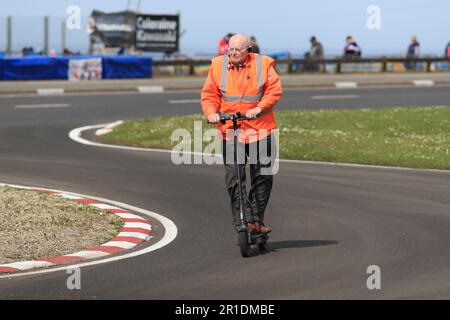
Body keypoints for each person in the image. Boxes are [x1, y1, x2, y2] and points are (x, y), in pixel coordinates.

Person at [201, 34, 282, 234]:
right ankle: (242, 220)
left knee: (262, 176)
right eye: (231, 49)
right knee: (234, 178)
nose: (233, 53)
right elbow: (209, 94)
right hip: (231, 131)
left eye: (238, 49)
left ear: (248, 50)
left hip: (260, 129)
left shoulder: (262, 64)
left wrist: (260, 107)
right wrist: (211, 113)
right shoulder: (218, 66)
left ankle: (256, 220)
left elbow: (274, 90)